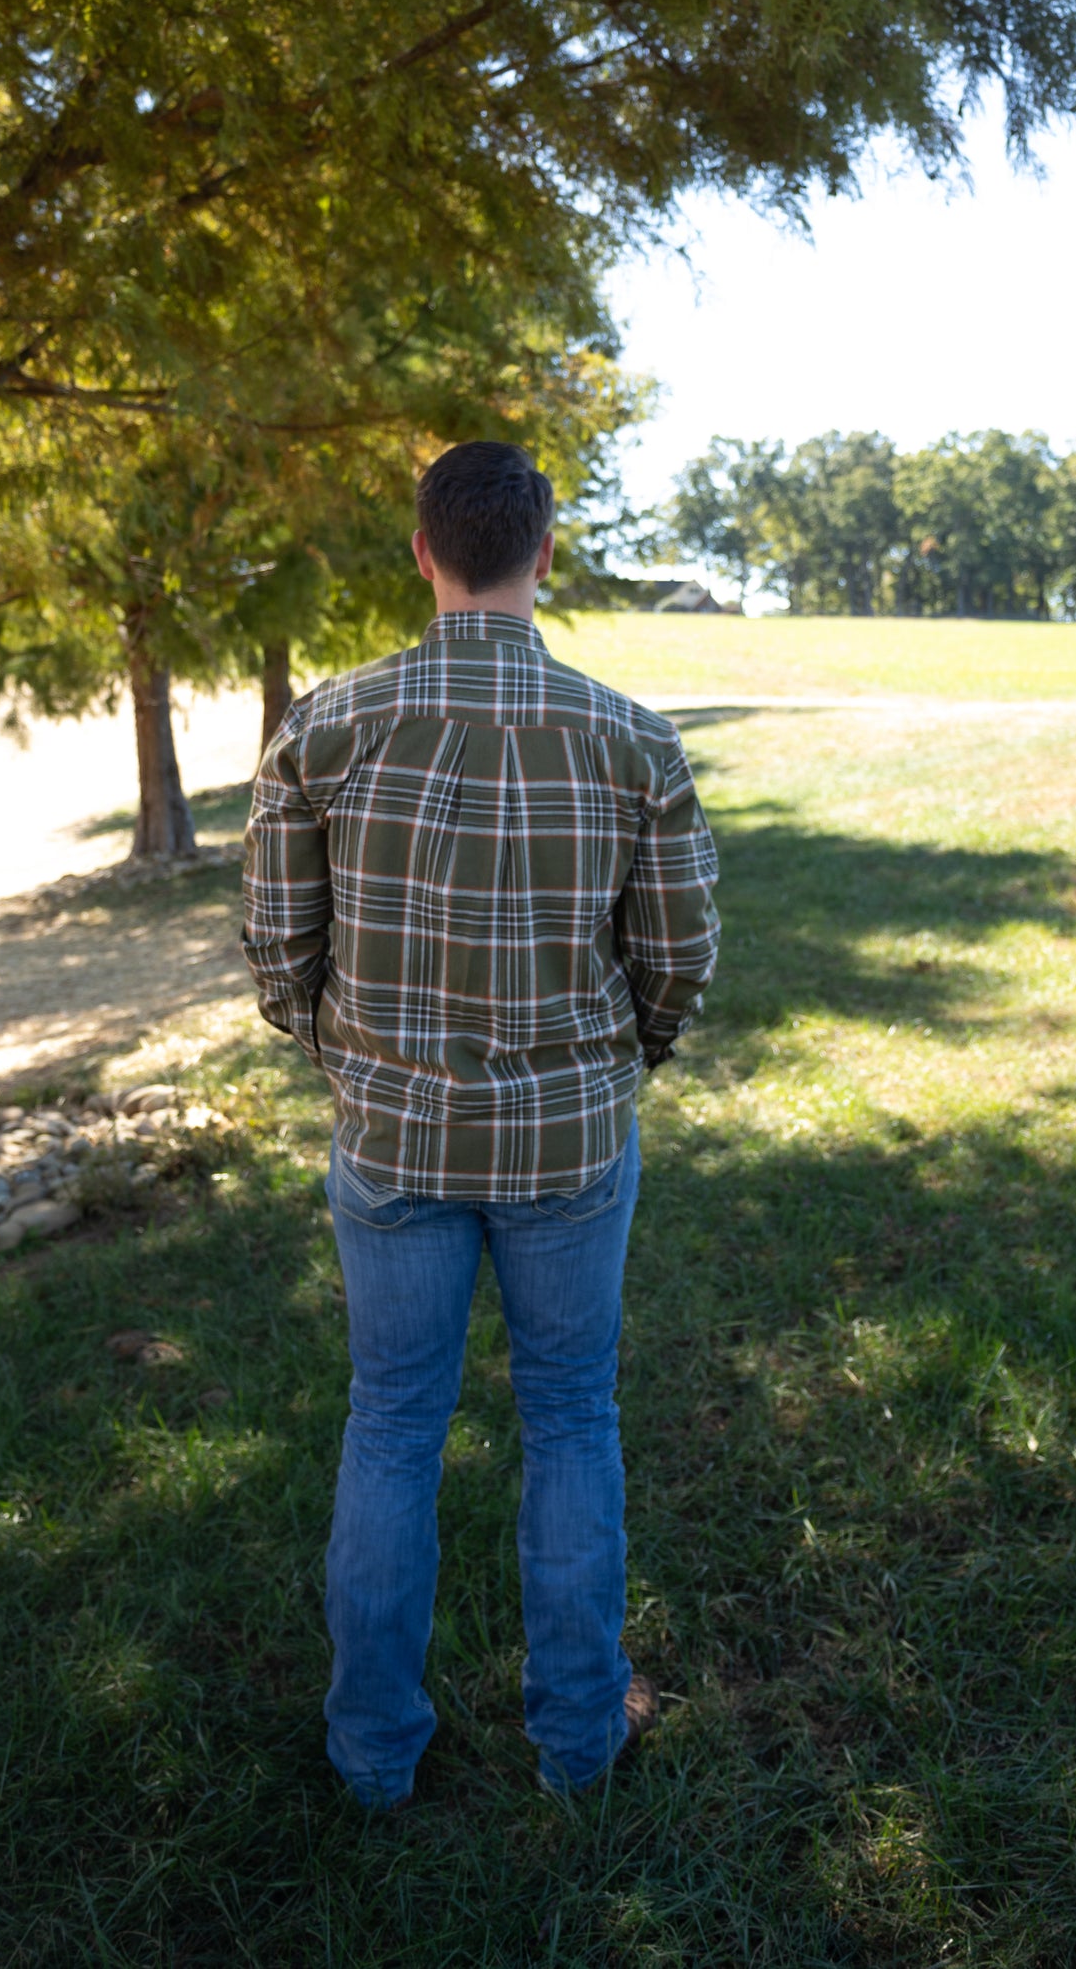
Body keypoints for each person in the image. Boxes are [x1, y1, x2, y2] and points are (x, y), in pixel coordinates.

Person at [242, 440, 720, 1806]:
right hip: (570, 1141)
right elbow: (679, 955)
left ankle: (373, 1756)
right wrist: (633, 1054)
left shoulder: (325, 724)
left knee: (391, 1422)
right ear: (543, 555)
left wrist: (342, 1050)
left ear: (422, 552)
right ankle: (577, 1745)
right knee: (571, 1416)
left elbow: (279, 949)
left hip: (390, 1137)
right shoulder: (631, 738)